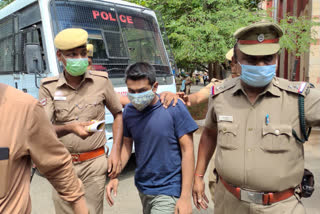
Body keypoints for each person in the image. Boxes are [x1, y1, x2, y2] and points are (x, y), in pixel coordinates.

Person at [193, 21, 319, 214]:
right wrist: (198, 176)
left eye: (267, 59)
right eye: (251, 59)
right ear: (236, 60)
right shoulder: (220, 96)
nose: (260, 65)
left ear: (276, 58)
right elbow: (210, 134)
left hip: (281, 207)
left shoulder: (300, 99)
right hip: (229, 204)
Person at [38, 28, 123, 214]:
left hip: (94, 163)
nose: (79, 58)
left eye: (83, 53)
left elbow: (118, 114)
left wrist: (115, 151)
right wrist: (69, 128)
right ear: (60, 56)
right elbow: (42, 130)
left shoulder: (101, 81)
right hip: (62, 164)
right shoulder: (49, 87)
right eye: (72, 54)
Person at [106, 62, 198, 214]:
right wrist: (115, 175)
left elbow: (188, 150)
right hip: (144, 188)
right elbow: (127, 146)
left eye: (141, 91)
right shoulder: (129, 111)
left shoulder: (173, 107)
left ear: (155, 87)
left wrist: (185, 197)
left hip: (169, 189)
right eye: (131, 91)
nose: (136, 96)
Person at [0, 83, 88, 214]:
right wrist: (68, 128)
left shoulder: (23, 108)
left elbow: (58, 167)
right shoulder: (48, 87)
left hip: (91, 159)